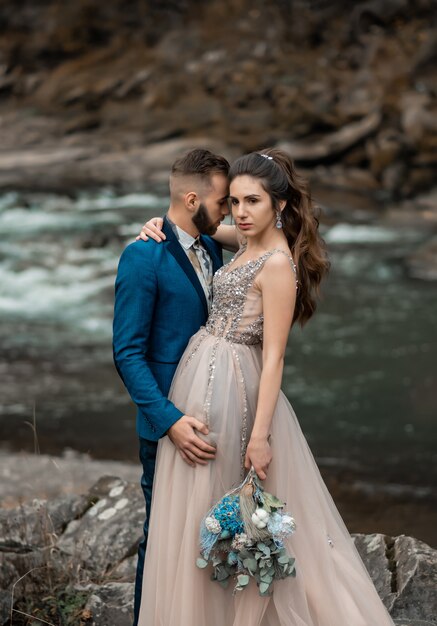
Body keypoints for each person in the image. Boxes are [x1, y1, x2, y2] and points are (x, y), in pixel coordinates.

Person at [136, 149, 396, 625]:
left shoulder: (277, 264)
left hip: (239, 389)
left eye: (252, 201)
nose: (240, 212)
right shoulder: (242, 240)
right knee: (195, 511)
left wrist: (260, 436)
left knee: (239, 512)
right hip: (197, 381)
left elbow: (275, 356)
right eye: (234, 201)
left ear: (279, 204)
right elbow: (196, 225)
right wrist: (158, 223)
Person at [112, 148, 232, 626]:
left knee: (212, 538)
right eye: (222, 201)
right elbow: (127, 354)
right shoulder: (143, 257)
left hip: (213, 419)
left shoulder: (211, 245)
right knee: (162, 541)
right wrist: (170, 422)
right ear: (191, 197)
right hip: (170, 428)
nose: (228, 210)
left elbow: (271, 231)